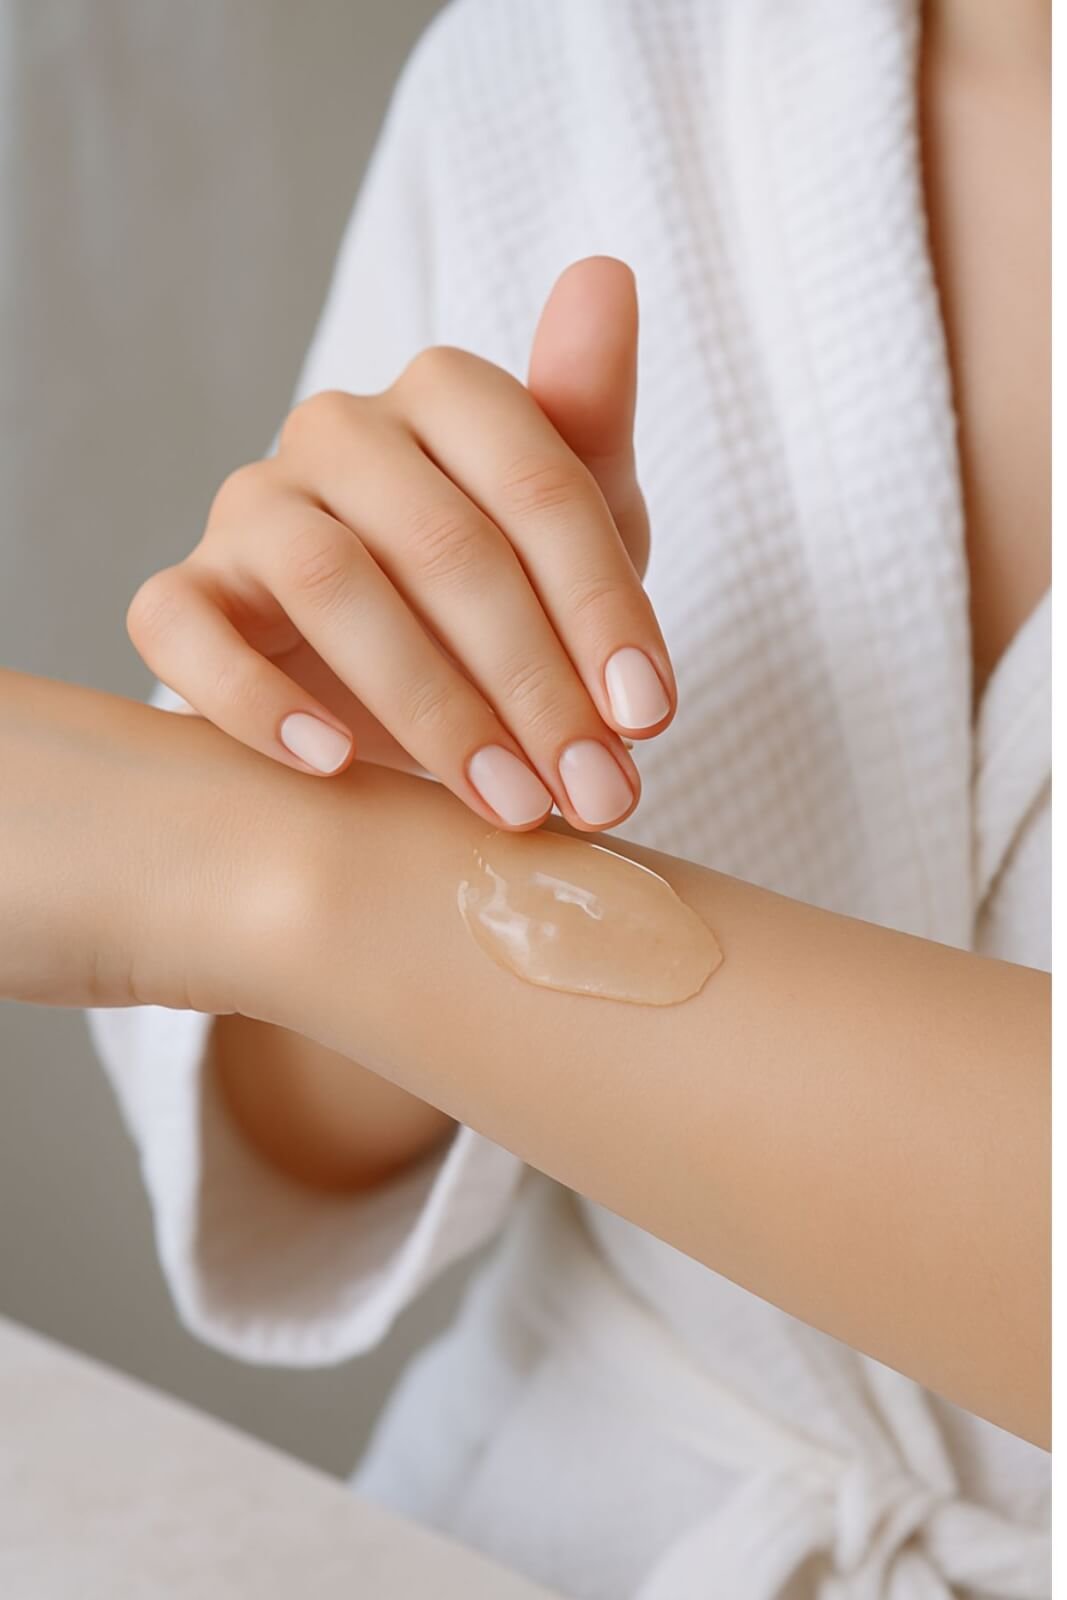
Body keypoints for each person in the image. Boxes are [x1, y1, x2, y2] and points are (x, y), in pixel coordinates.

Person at [1, 0, 1049, 1593]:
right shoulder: (574, 52)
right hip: (531, 1527)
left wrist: (263, 882)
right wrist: (380, 778)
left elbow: (288, 917)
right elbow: (308, 1133)